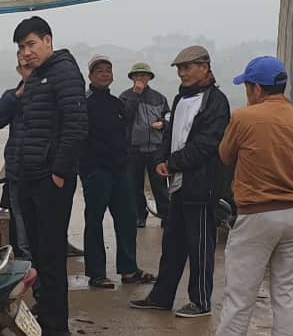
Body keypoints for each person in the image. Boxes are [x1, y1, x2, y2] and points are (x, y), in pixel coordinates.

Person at [180, 56, 293, 336]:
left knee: (240, 297)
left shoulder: (244, 118)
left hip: (256, 216)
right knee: (287, 300)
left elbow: (226, 155)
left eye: (247, 87)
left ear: (256, 88)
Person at [2, 16, 86, 336]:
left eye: (31, 44)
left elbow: (76, 124)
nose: (26, 53)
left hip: (51, 180)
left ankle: (56, 329)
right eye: (21, 47)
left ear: (48, 40)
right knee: (38, 252)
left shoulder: (64, 71)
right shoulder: (37, 78)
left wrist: (59, 172)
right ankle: (47, 313)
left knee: (51, 255)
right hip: (31, 177)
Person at [129, 45, 230, 318]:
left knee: (200, 247)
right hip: (179, 185)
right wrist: (163, 158)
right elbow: (170, 133)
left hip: (201, 185)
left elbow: (207, 143)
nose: (182, 73)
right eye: (179, 69)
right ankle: (162, 296)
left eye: (187, 68)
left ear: (205, 67)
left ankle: (200, 301)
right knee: (172, 245)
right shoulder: (181, 98)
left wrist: (172, 163)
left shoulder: (216, 101)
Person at [79, 56, 141, 289]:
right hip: (96, 171)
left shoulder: (117, 104)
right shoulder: (84, 103)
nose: (104, 74)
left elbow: (124, 132)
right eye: (99, 71)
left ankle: (129, 269)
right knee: (94, 221)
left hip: (120, 170)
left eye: (108, 70)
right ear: (91, 76)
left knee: (126, 219)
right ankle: (96, 274)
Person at [0, 58, 34, 259]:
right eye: (27, 68)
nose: (32, 72)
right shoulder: (13, 96)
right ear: (19, 70)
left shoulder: (51, 94)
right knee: (20, 218)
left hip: (45, 170)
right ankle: (26, 258)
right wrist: (16, 96)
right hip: (17, 169)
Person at [123, 61, 170, 233]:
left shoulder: (159, 98)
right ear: (132, 78)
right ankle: (139, 216)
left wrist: (163, 124)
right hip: (134, 149)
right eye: (137, 75)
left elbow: (169, 118)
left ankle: (166, 216)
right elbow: (125, 117)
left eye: (143, 75)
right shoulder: (126, 96)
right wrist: (136, 94)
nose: (140, 78)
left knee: (159, 185)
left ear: (149, 77)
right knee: (135, 185)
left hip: (156, 149)